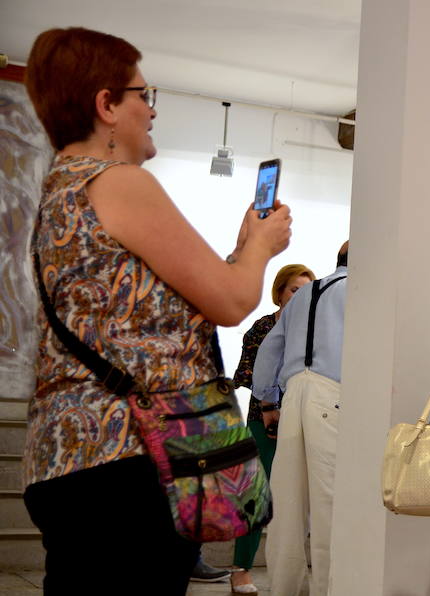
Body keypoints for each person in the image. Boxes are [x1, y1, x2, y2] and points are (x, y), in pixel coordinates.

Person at [22, 27, 291, 596]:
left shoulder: (59, 189)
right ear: (106, 105)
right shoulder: (120, 183)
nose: (151, 111)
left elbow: (148, 312)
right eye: (144, 96)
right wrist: (263, 250)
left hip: (67, 458)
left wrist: (243, 248)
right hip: (130, 459)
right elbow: (233, 302)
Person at [253, 242, 349, 596]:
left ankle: (284, 588)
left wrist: (267, 401)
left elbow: (270, 348)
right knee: (329, 503)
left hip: (293, 394)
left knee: (287, 502)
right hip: (334, 395)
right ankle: (328, 588)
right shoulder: (360, 290)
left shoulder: (307, 292)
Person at [229, 264, 316, 595]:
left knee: (302, 498)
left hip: (304, 416)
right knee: (255, 495)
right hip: (262, 421)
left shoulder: (312, 329)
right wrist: (272, 404)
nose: (300, 297)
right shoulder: (262, 327)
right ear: (280, 291)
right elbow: (249, 373)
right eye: (295, 290)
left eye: (307, 291)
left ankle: (298, 569)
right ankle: (240, 570)